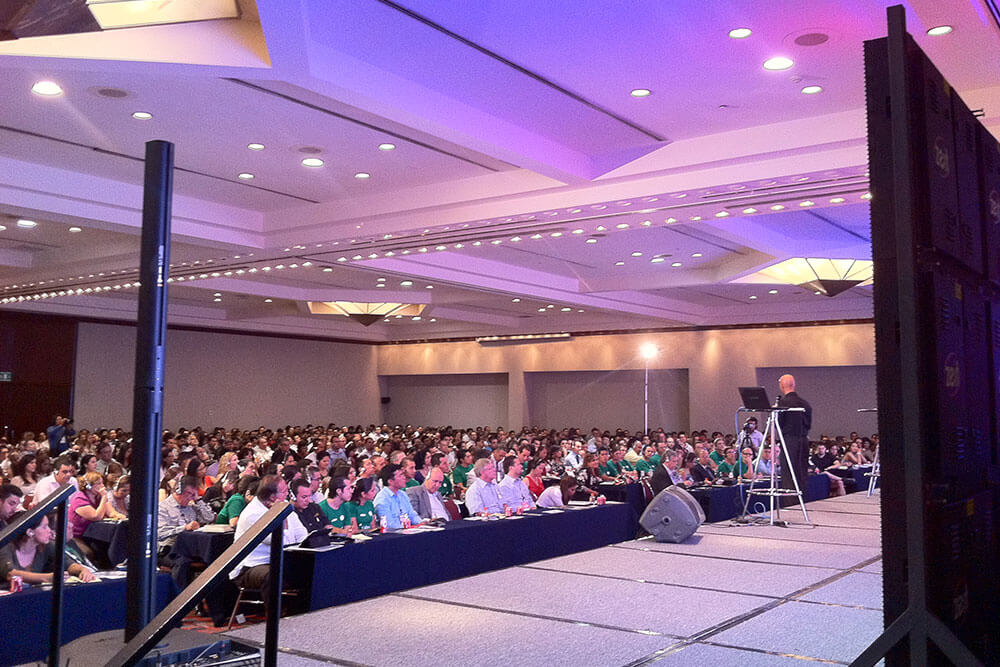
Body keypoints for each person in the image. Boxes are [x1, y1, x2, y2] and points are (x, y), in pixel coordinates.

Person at [230, 475, 307, 616]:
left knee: (311, 567)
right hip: (250, 566)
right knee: (272, 574)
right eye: (284, 491)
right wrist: (281, 516)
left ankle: (303, 611)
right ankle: (275, 616)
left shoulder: (284, 505)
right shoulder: (252, 514)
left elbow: (302, 533)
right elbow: (280, 541)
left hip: (278, 560)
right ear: (272, 497)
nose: (288, 494)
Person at [0, 512, 96, 585]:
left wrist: (82, 570)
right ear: (30, 532)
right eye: (45, 527)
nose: (50, 531)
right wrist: (47, 578)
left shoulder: (47, 545)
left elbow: (68, 563)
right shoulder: (5, 546)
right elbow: (11, 574)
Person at [157, 476, 215, 554]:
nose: (191, 498)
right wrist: (184, 528)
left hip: (190, 548)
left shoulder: (191, 507)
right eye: (189, 493)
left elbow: (209, 518)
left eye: (194, 494)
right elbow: (159, 534)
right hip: (170, 549)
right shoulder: (163, 508)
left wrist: (198, 499)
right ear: (178, 491)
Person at [777, 374, 812, 491]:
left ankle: (791, 500)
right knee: (802, 473)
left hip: (789, 441)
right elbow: (808, 424)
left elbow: (779, 424)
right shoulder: (805, 403)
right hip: (804, 441)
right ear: (794, 385)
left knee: (789, 473)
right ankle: (803, 497)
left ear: (781, 386)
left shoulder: (782, 403)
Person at [373, 463, 423, 529]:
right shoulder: (382, 499)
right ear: (390, 481)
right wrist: (410, 528)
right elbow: (389, 525)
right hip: (393, 533)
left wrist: (421, 523)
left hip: (408, 530)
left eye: (403, 475)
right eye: (400, 475)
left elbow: (412, 515)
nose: (404, 477)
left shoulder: (403, 494)